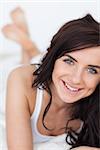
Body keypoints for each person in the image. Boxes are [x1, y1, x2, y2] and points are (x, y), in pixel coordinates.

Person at [6, 13, 100, 150]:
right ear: (54, 57)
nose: (76, 79)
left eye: (92, 70)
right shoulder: (20, 79)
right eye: (69, 61)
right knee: (32, 67)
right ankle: (27, 44)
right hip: (31, 78)